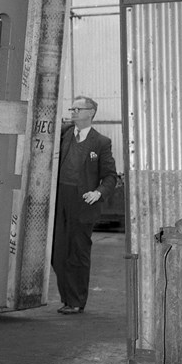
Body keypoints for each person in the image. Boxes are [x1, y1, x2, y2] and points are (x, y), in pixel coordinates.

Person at [52, 95, 118, 314]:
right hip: (60, 198)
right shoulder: (64, 135)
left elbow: (110, 176)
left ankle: (76, 301)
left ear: (90, 113)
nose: (73, 112)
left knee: (78, 253)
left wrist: (98, 193)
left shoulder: (101, 143)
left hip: (83, 203)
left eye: (78, 109)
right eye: (72, 109)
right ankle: (68, 297)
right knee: (57, 252)